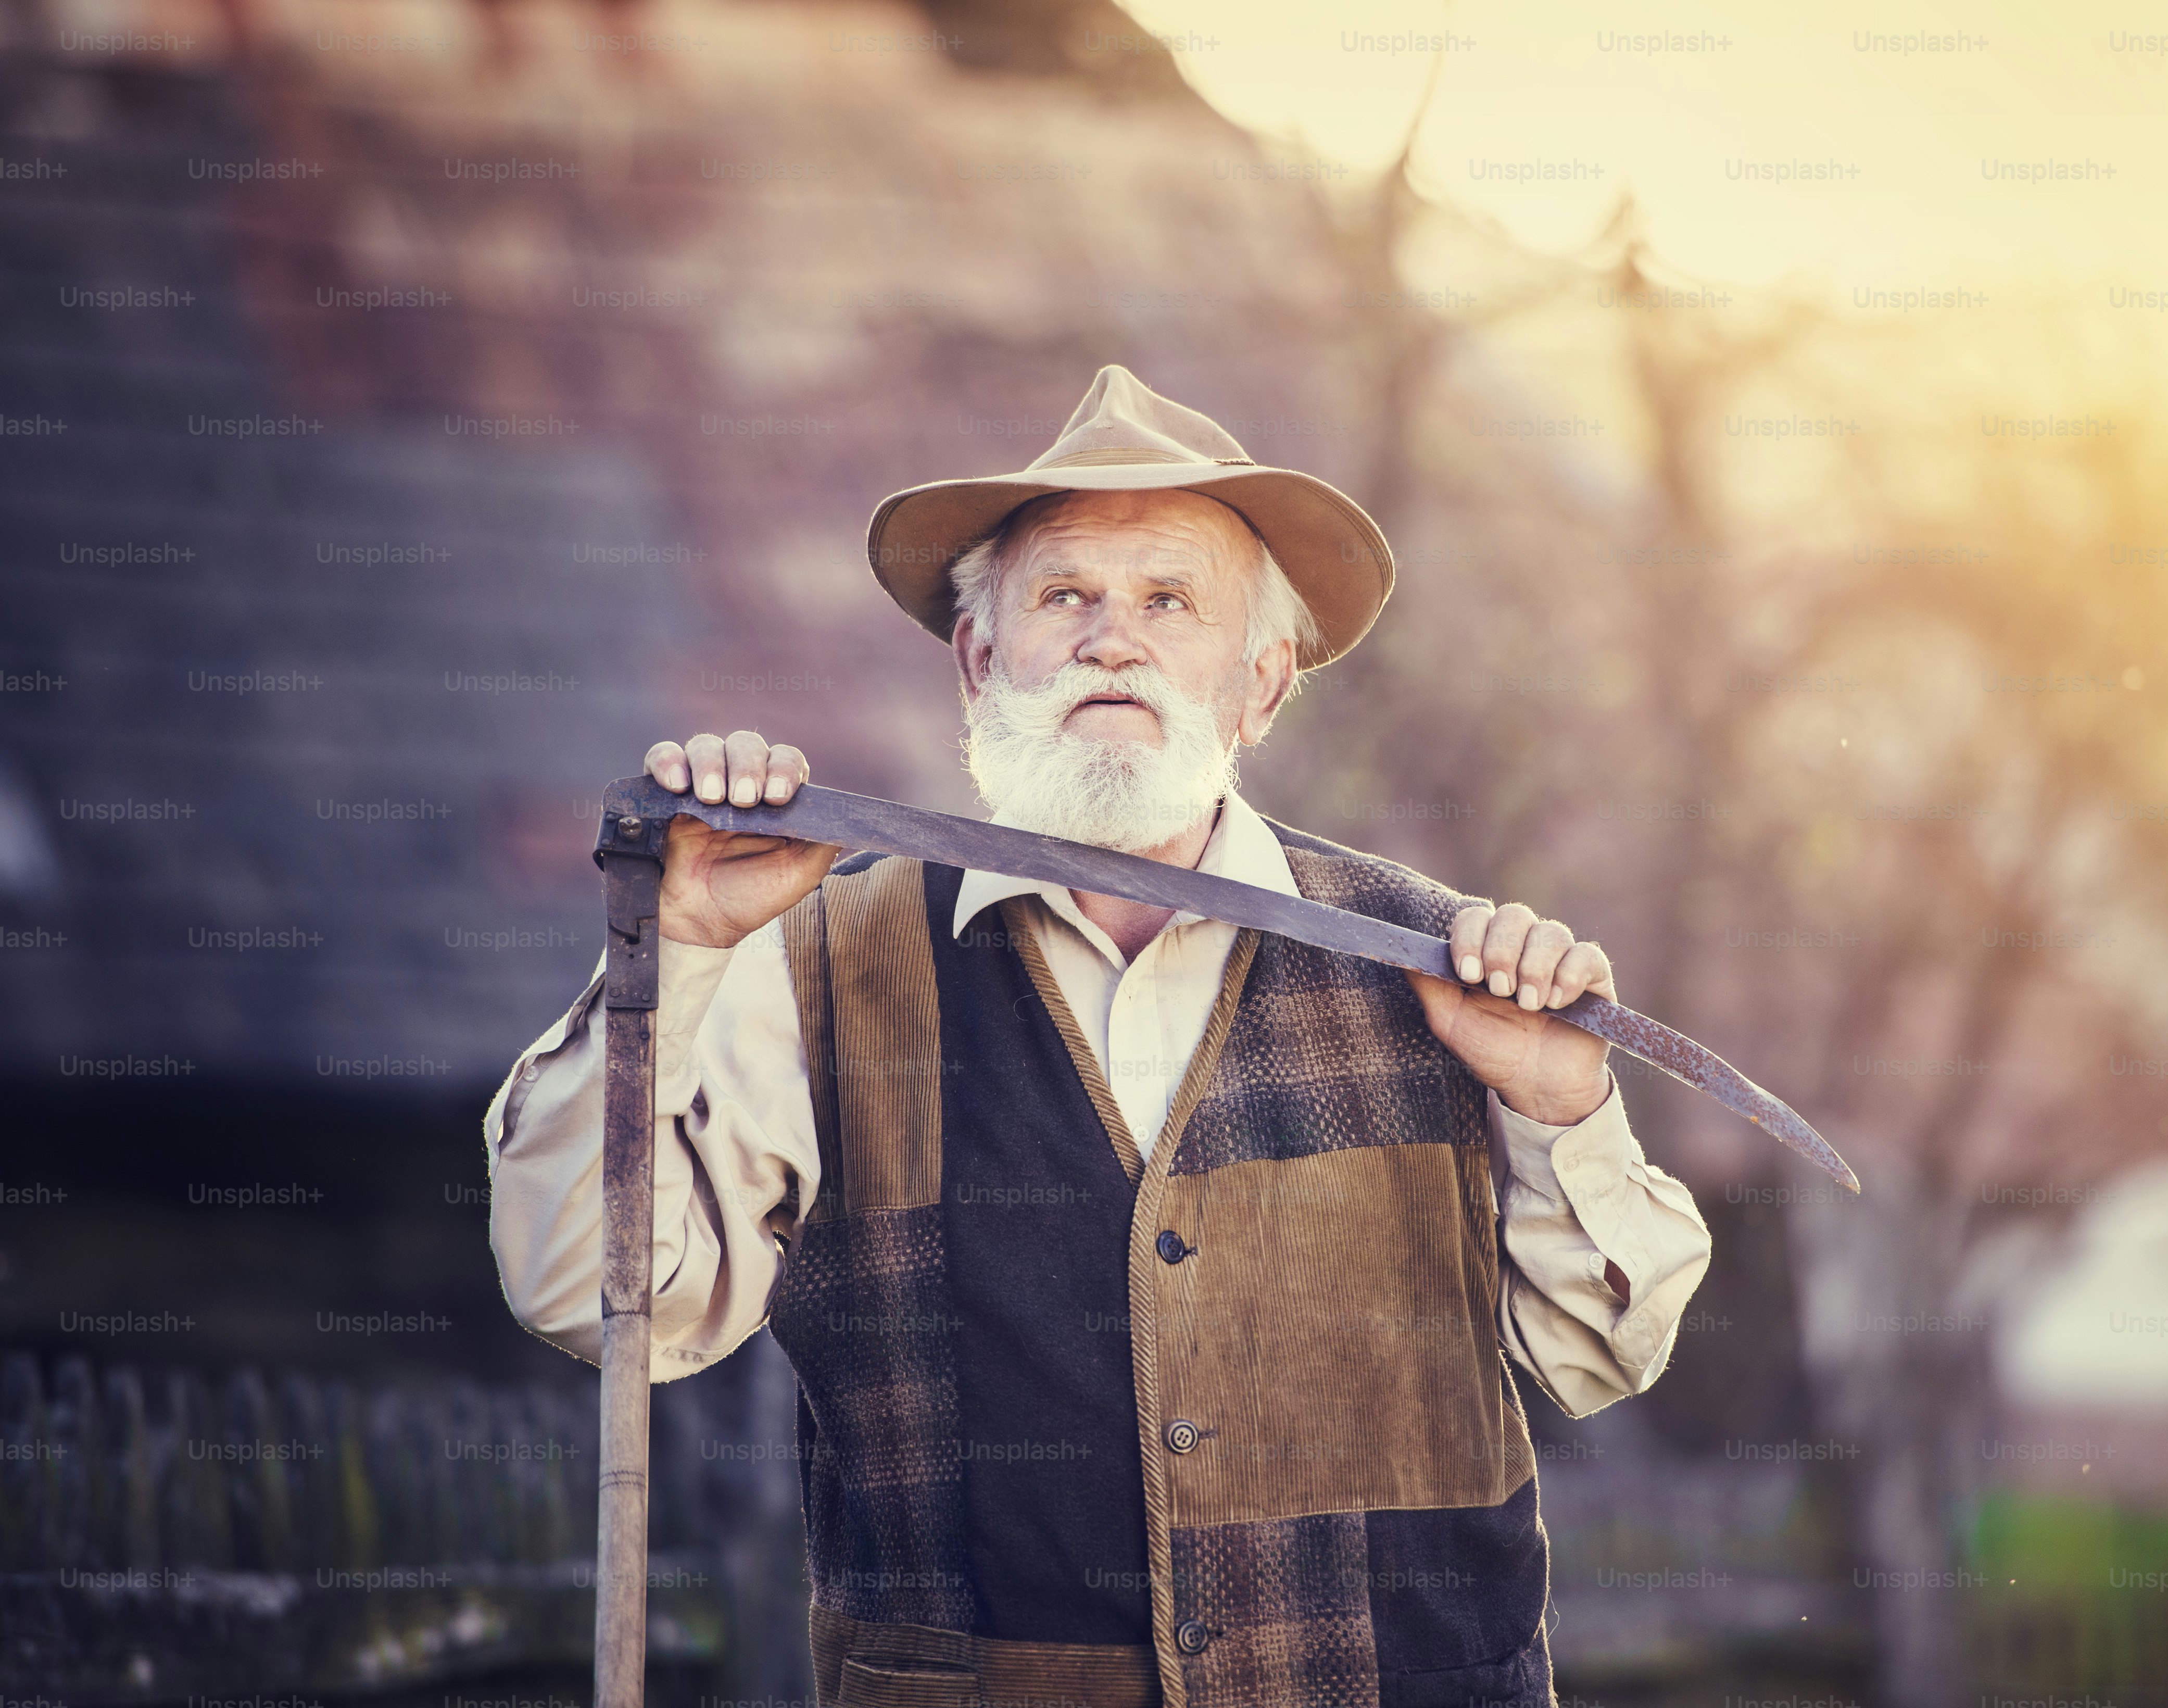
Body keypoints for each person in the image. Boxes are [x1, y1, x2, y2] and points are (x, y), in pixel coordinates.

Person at [485, 366, 1711, 1708]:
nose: (1109, 641)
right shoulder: (808, 959)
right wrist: (679, 953)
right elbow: (596, 1301)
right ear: (979, 656)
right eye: (1063, 596)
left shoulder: (1438, 962)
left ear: (1264, 682)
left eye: (1168, 602)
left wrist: (1557, 1109)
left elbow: (1603, 1351)